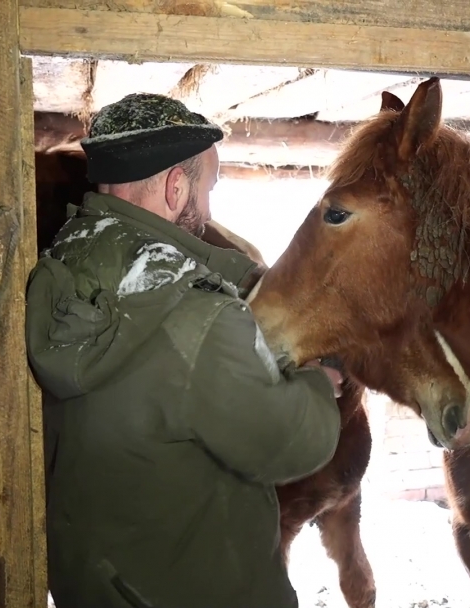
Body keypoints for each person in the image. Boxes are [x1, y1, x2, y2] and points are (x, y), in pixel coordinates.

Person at [25, 92, 344, 608]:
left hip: (99, 583)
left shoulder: (62, 263)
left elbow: (157, 270)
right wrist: (315, 386)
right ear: (176, 187)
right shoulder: (198, 317)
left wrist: (255, 281)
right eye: (207, 188)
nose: (210, 207)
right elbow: (284, 444)